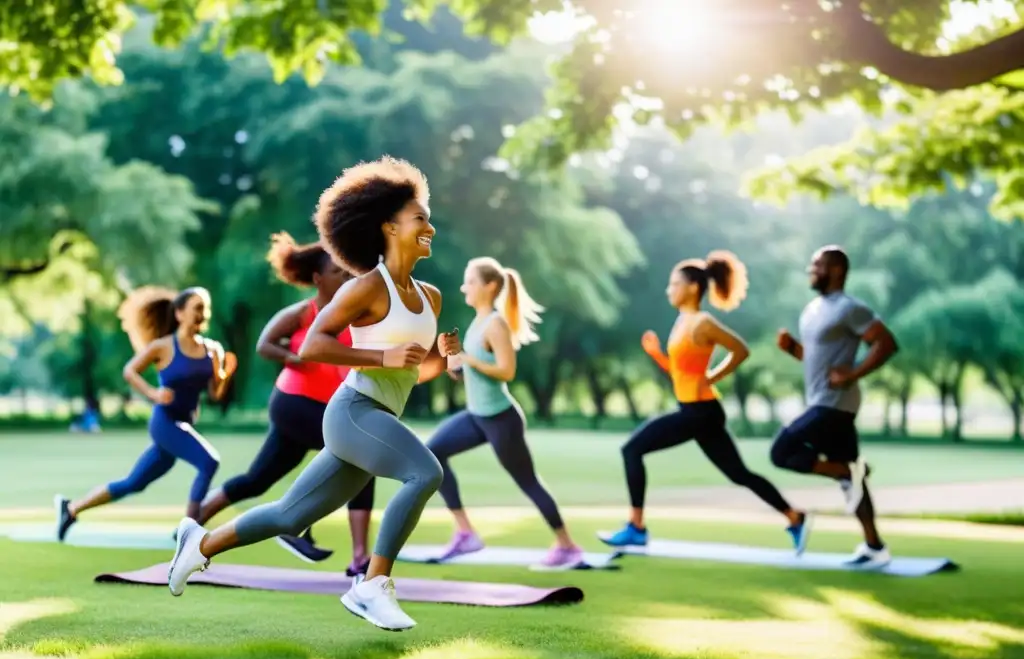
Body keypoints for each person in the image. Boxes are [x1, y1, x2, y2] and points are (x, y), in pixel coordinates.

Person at [167, 156, 460, 632]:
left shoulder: (431, 297)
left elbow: (416, 372)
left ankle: (199, 544)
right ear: (388, 226)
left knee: (289, 514)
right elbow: (313, 344)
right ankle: (373, 584)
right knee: (425, 471)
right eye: (420, 218)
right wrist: (381, 359)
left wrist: (445, 358)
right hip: (354, 412)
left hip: (378, 415)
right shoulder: (367, 288)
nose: (430, 226)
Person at [600, 251, 811, 552]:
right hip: (697, 411)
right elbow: (682, 372)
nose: (668, 289)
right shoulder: (682, 322)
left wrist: (713, 376)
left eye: (674, 284)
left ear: (693, 288)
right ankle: (795, 517)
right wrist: (658, 355)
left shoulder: (702, 322)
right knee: (739, 474)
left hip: (700, 412)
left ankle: (636, 527)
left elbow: (740, 349)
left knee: (632, 449)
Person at [195, 233, 376, 574]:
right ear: (318, 279)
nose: (346, 279)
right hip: (294, 403)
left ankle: (193, 522)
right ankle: (355, 556)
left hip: (325, 407)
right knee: (359, 459)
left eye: (349, 274)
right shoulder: (302, 313)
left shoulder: (355, 315)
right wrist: (293, 357)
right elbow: (264, 344)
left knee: (257, 479)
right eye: (339, 273)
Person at [425, 257, 584, 569]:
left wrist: (468, 360)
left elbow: (506, 371)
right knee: (433, 454)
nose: (463, 287)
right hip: (476, 417)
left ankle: (567, 546)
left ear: (490, 286)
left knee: (527, 482)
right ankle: (466, 533)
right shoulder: (477, 322)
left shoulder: (495, 323)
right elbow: (473, 369)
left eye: (469, 281)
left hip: (501, 420)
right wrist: (455, 363)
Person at [55, 286, 236, 541]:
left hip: (183, 422)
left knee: (134, 483)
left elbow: (215, 395)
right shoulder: (163, 347)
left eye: (205, 308)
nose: (202, 313)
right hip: (164, 422)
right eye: (197, 307)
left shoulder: (212, 350)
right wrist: (153, 394)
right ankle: (189, 532)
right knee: (209, 462)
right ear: (179, 313)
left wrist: (224, 374)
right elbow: (130, 371)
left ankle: (71, 509)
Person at [770, 245, 899, 567]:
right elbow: (816, 361)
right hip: (822, 400)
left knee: (781, 452)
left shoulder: (849, 308)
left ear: (837, 270)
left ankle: (848, 469)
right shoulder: (813, 309)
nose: (810, 270)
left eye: (817, 265)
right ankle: (874, 547)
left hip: (835, 404)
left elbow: (886, 343)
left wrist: (853, 373)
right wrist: (794, 350)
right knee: (850, 481)